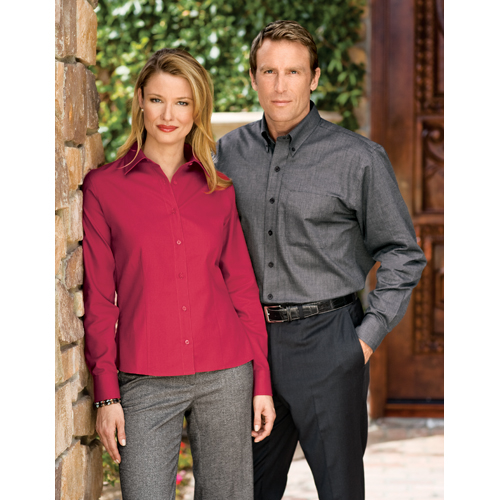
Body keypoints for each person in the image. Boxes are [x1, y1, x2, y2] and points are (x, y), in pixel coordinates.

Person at [215, 20, 427, 500]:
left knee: (339, 490)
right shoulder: (227, 154)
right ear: (252, 77)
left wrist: (363, 341)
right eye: (269, 71)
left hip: (329, 341)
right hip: (249, 347)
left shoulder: (358, 158)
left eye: (293, 71)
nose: (280, 84)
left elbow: (402, 253)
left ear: (313, 78)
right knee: (244, 489)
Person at [82, 48, 275, 500]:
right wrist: (107, 395)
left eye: (182, 102)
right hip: (144, 379)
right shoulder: (104, 188)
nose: (168, 115)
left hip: (226, 374)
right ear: (139, 101)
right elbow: (99, 301)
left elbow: (243, 291)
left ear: (197, 110)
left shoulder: (218, 190)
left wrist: (261, 383)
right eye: (157, 100)